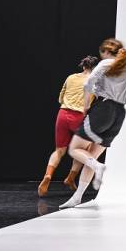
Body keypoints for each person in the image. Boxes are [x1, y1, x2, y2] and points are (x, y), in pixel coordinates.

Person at [59, 39, 126, 209]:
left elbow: (88, 83)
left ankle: (98, 167)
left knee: (75, 149)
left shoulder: (106, 62)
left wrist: (86, 107)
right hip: (119, 113)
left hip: (104, 109)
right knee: (92, 155)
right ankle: (78, 197)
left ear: (106, 52)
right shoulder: (125, 68)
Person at [38, 55, 99, 197]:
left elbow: (60, 97)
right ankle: (71, 177)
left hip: (62, 114)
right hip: (78, 116)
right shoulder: (95, 82)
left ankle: (48, 175)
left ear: (84, 66)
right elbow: (91, 102)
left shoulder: (71, 77)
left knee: (59, 150)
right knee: (84, 149)